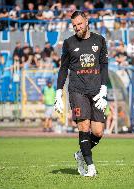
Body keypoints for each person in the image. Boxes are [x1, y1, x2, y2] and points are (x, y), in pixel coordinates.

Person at [54, 11, 108, 177]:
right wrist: (58, 93)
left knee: (98, 132)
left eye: (79, 24)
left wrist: (104, 89)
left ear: (87, 21)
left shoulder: (99, 40)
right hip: (77, 90)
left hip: (96, 90)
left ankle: (80, 154)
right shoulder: (69, 43)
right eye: (74, 25)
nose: (77, 28)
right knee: (83, 126)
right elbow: (63, 69)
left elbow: (104, 65)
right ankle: (89, 166)